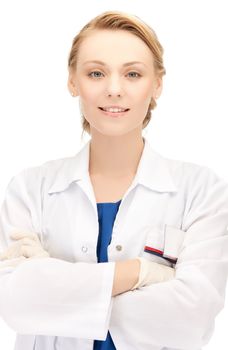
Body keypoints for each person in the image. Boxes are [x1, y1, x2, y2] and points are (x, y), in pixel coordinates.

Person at [0, 10, 228, 350]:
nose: (114, 90)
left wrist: (53, 284)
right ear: (72, 81)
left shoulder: (202, 190)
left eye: (133, 74)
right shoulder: (29, 189)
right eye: (96, 73)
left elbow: (191, 319)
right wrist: (142, 273)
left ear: (157, 84)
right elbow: (15, 305)